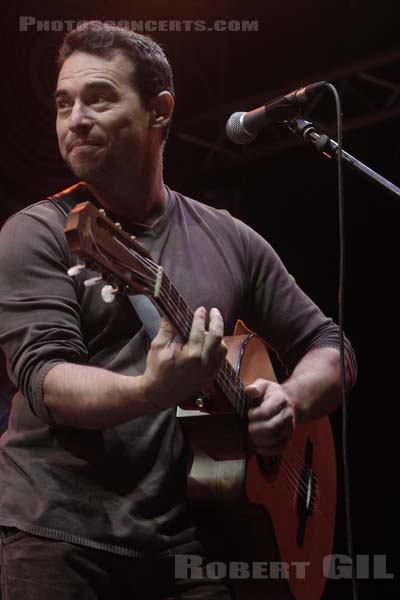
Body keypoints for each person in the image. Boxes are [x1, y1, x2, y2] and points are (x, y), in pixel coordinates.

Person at [0, 22, 357, 600]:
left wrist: (289, 400)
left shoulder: (231, 238)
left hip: (199, 545)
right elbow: (44, 380)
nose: (75, 119)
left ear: (159, 111)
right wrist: (151, 389)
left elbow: (332, 345)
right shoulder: (37, 233)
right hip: (60, 538)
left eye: (99, 98)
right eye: (63, 103)